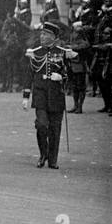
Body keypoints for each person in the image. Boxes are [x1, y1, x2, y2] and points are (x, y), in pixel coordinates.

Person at [24, 20, 76, 169]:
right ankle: (43, 154)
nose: (42, 36)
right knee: (41, 125)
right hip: (40, 94)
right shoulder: (35, 53)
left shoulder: (62, 53)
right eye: (41, 34)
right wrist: (25, 97)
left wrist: (61, 77)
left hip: (56, 95)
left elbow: (71, 74)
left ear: (53, 37)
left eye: (45, 34)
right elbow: (29, 76)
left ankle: (53, 159)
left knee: (55, 128)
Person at [67, 14, 91, 113]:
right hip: (72, 65)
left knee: (80, 87)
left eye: (76, 32)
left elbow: (84, 46)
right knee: (74, 87)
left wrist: (71, 47)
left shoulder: (83, 41)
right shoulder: (72, 39)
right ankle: (75, 105)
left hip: (80, 66)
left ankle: (79, 106)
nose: (74, 34)